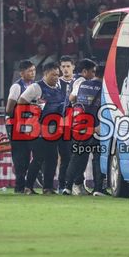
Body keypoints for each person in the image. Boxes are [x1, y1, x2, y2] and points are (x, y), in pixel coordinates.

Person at [20, 62, 65, 195]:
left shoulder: (59, 87)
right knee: (38, 158)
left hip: (53, 130)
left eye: (57, 75)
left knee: (52, 158)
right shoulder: (36, 87)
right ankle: (28, 187)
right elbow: (21, 102)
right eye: (53, 75)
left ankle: (48, 188)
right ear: (45, 74)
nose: (56, 77)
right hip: (37, 129)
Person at [65, 60, 108, 196]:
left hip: (81, 126)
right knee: (97, 157)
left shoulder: (82, 84)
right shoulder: (105, 89)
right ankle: (98, 189)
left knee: (76, 156)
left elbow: (72, 99)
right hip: (97, 128)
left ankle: (67, 186)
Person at [6, 60, 36, 193]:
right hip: (16, 125)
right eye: (30, 71)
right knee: (20, 156)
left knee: (30, 154)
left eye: (34, 70)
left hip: (29, 125)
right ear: (21, 73)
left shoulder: (34, 86)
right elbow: (9, 109)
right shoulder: (17, 87)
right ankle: (19, 187)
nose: (33, 73)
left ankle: (26, 186)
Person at [56, 55, 75, 194]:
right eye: (63, 66)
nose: (65, 69)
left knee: (78, 156)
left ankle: (77, 184)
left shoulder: (79, 82)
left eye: (68, 66)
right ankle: (62, 185)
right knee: (64, 157)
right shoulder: (56, 83)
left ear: (73, 67)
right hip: (62, 126)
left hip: (78, 124)